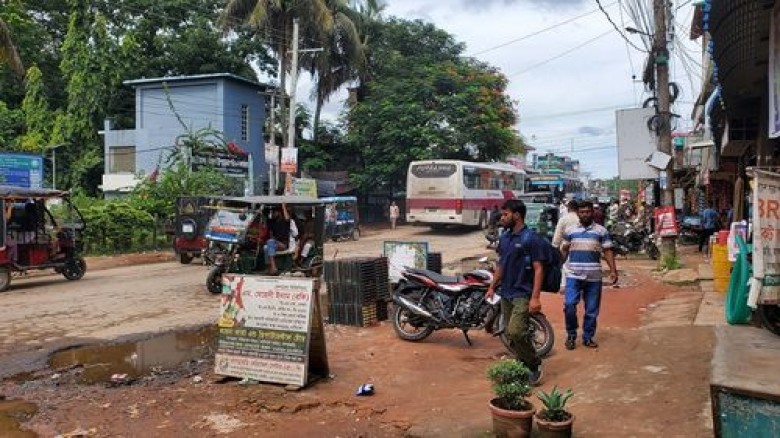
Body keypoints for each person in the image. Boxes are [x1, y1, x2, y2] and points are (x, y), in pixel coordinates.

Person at [486, 199, 546, 386]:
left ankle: (534, 363)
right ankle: (522, 362)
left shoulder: (530, 238)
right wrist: (492, 286)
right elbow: (501, 265)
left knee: (517, 331)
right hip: (506, 292)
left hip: (523, 292)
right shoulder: (505, 237)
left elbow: (538, 268)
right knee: (509, 334)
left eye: (506, 214)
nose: (502, 218)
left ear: (517, 215)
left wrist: (535, 298)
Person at [560, 200, 618, 350]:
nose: (585, 214)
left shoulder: (601, 231)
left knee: (592, 310)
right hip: (573, 275)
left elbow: (608, 251)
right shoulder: (570, 231)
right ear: (578, 214)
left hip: (594, 277)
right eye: (582, 212)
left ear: (592, 212)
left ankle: (588, 337)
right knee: (569, 305)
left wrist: (613, 270)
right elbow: (564, 251)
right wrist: (557, 265)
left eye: (587, 212)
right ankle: (571, 334)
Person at [263, 204, 292, 275]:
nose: (273, 214)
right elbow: (265, 217)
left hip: (283, 244)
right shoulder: (273, 222)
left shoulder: (285, 221)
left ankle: (273, 267)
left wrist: (283, 206)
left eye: (274, 212)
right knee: (265, 247)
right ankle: (269, 267)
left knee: (270, 242)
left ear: (279, 212)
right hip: (274, 244)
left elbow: (287, 218)